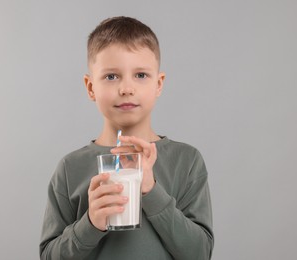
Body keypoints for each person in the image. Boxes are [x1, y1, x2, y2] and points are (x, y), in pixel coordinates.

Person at [40, 16, 214, 260]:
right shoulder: (70, 168)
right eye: (112, 76)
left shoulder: (187, 161)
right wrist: (89, 224)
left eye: (141, 75)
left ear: (158, 84)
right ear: (91, 87)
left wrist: (151, 191)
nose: (126, 88)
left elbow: (199, 253)